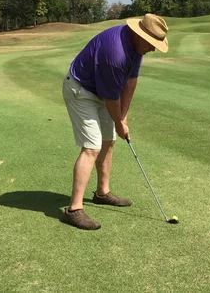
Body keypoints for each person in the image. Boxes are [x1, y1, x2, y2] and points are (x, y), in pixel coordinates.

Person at [61, 13, 169, 230]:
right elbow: (111, 98)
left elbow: (130, 82)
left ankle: (102, 192)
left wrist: (124, 117)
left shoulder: (137, 47)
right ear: (141, 36)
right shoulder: (116, 53)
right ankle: (74, 209)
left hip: (100, 92)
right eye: (153, 43)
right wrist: (119, 123)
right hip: (81, 90)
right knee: (92, 146)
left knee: (109, 141)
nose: (154, 48)